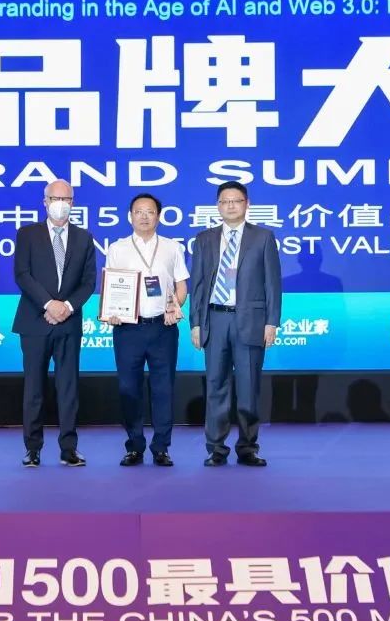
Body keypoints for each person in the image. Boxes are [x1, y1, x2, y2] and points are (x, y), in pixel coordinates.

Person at [189, 181, 281, 466]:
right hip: (215, 319)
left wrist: (272, 322)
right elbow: (198, 285)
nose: (230, 206)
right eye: (224, 201)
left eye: (236, 201)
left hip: (251, 320)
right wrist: (196, 323)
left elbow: (272, 283)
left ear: (247, 204)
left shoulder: (263, 237)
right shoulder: (204, 239)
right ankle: (216, 449)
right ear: (217, 206)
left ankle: (248, 447)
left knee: (248, 387)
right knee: (216, 385)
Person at [12, 179, 97, 467]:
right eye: (55, 198)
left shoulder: (84, 238)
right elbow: (22, 275)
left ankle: (68, 448)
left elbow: (88, 282)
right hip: (35, 321)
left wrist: (67, 307)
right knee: (34, 389)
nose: (61, 204)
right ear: (45, 202)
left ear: (73, 203)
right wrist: (49, 304)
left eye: (66, 199)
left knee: (68, 388)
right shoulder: (27, 234)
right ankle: (33, 448)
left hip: (69, 323)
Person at [104, 193, 188, 467]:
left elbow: (181, 285)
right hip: (128, 329)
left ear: (158, 217)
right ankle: (135, 446)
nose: (144, 216)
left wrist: (175, 306)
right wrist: (112, 310)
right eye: (138, 211)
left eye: (150, 211)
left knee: (163, 389)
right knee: (129, 388)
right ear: (130, 216)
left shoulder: (172, 247)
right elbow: (111, 285)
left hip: (163, 328)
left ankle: (161, 447)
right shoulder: (117, 248)